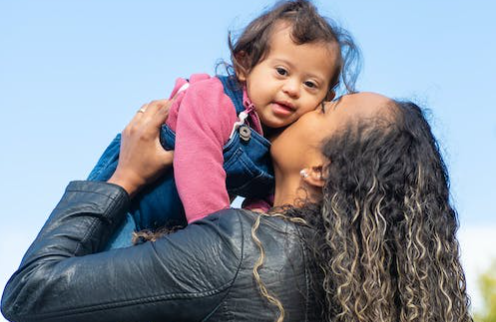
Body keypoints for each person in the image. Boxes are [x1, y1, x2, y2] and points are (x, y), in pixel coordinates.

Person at [1, 93, 472, 322]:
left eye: (328, 107)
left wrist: (125, 177)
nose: (309, 102)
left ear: (320, 171)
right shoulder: (347, 281)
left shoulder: (243, 249)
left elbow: (28, 295)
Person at [87, 0, 360, 249]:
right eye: (282, 72)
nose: (292, 89)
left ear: (326, 97)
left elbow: (267, 195)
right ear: (245, 64)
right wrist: (220, 236)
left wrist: (258, 220)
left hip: (175, 228)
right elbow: (198, 164)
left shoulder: (278, 141)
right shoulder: (213, 100)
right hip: (132, 207)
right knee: (99, 264)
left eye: (310, 84)